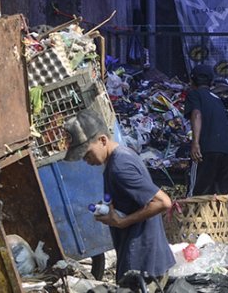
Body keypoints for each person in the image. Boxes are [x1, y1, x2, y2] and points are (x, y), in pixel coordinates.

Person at [64, 109, 175, 284]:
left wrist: (122, 221)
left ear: (102, 140)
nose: (85, 159)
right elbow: (134, 200)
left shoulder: (119, 167)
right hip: (143, 259)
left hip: (142, 263)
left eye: (87, 153)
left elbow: (163, 202)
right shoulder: (123, 156)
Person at [185, 64, 228, 196]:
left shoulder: (194, 94)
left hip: (207, 151)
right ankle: (222, 217)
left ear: (192, 80)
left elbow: (196, 114)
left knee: (197, 195)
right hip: (227, 152)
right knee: (222, 196)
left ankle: (195, 217)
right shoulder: (217, 99)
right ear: (211, 82)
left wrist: (195, 143)